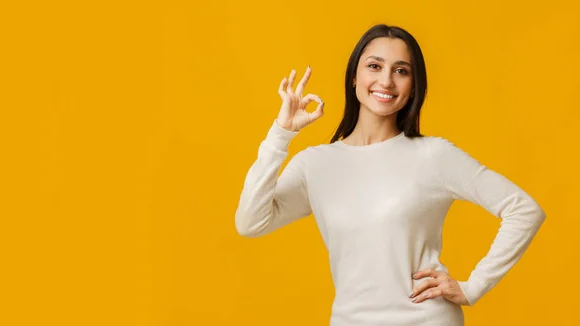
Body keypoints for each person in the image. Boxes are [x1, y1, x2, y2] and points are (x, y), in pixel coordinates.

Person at [234, 24, 546, 326]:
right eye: (374, 66)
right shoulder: (315, 164)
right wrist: (281, 134)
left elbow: (524, 210)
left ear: (413, 87)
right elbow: (250, 222)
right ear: (354, 77)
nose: (386, 81)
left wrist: (473, 286)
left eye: (401, 70)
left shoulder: (433, 155)